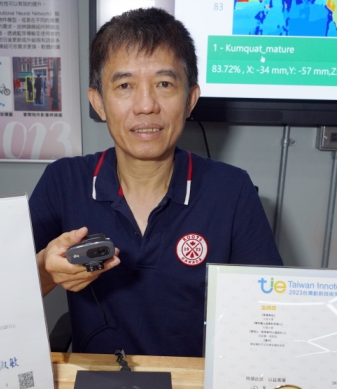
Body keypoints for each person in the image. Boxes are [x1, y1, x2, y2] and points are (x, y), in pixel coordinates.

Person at [29, 8, 282, 357]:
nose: (146, 105)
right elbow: (2, 294)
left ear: (190, 99)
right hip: (96, 381)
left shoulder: (232, 190)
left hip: (195, 383)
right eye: (125, 86)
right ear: (99, 103)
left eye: (164, 84)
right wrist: (46, 271)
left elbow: (269, 315)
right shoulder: (63, 182)